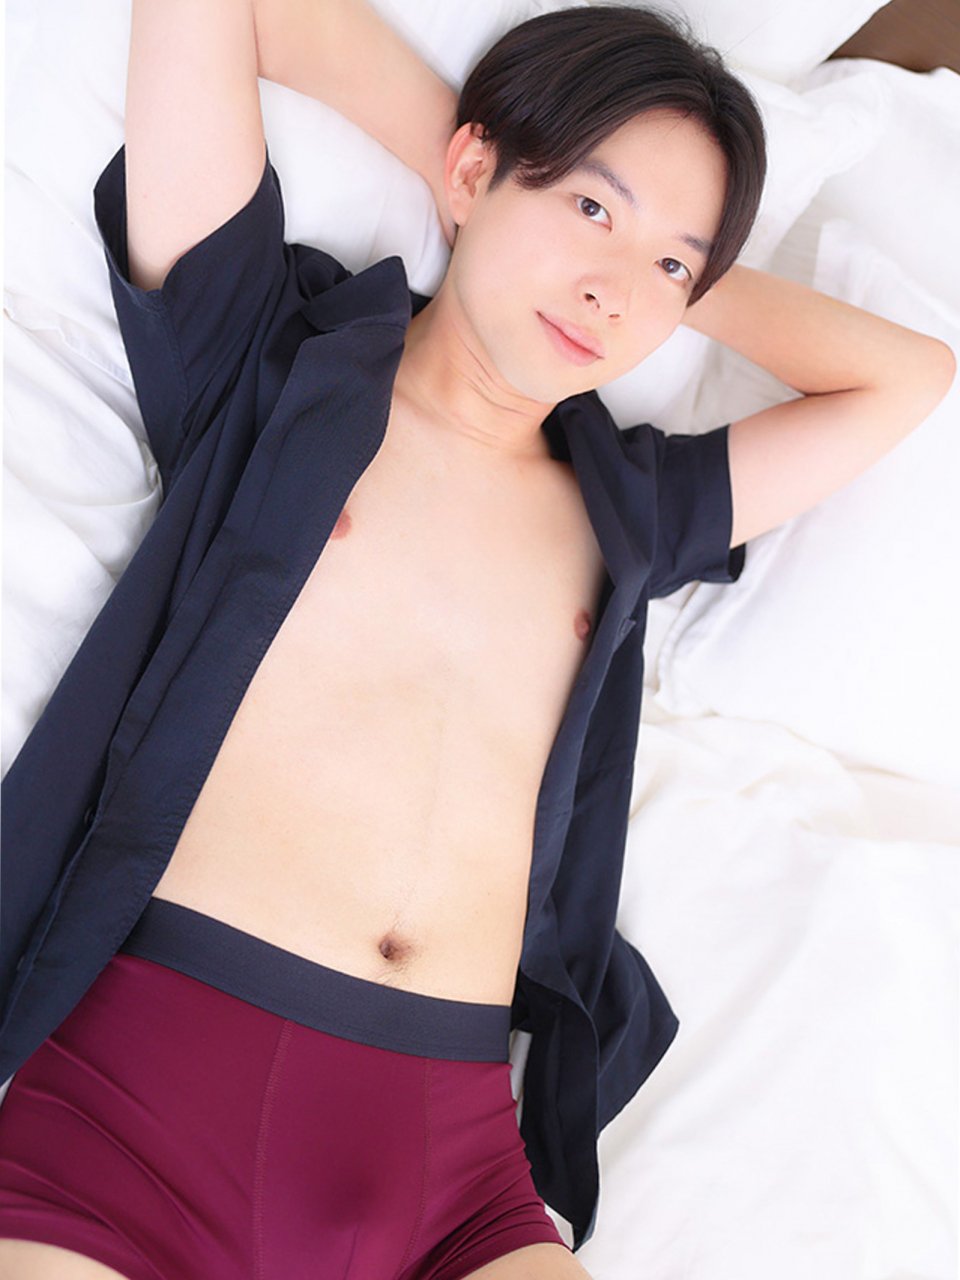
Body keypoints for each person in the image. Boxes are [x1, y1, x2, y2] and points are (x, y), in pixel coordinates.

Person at [0, 2, 953, 1277]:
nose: (612, 288)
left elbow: (907, 377)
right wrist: (478, 175)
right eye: (592, 205)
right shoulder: (265, 363)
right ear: (468, 168)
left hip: (450, 1168)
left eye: (675, 265)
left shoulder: (627, 508)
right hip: (132, 1114)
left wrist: (655, 277)